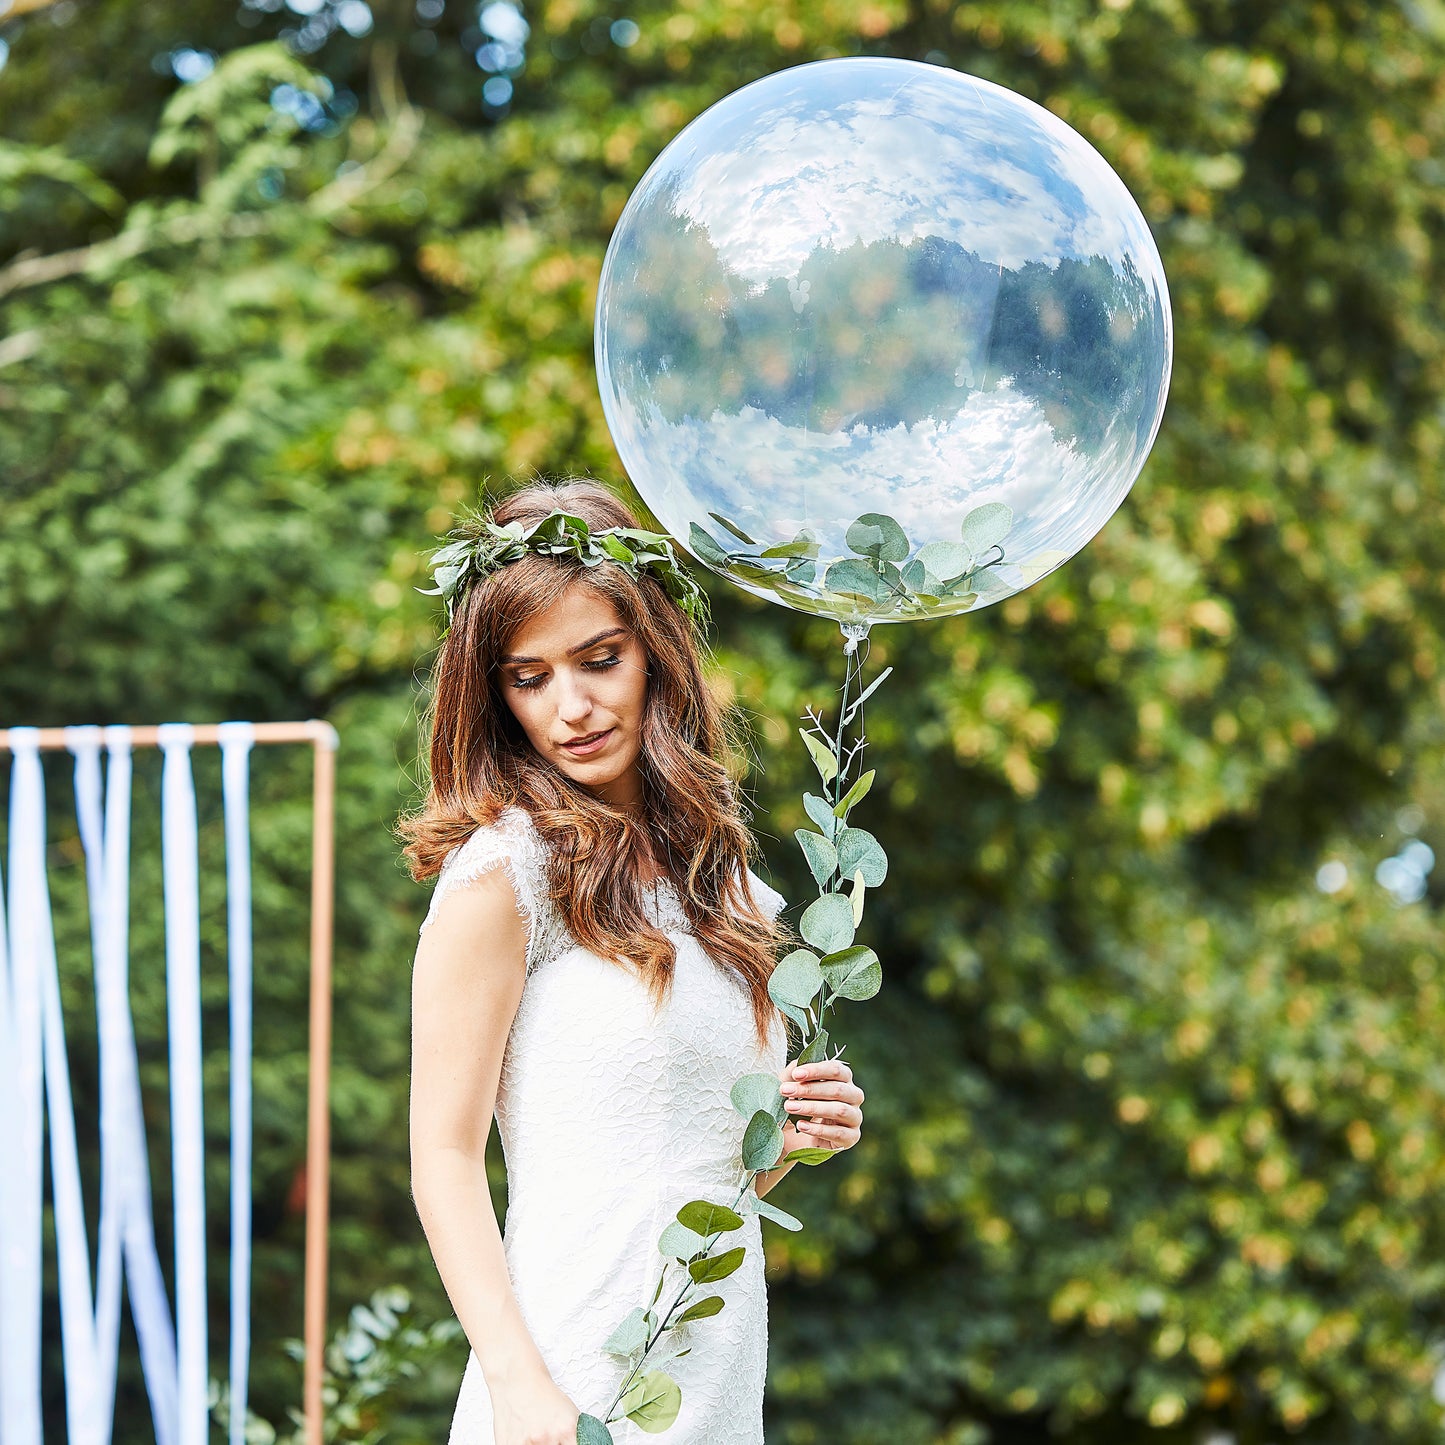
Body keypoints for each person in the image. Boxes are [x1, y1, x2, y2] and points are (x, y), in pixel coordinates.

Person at [398, 479, 867, 1445]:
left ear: (655, 651)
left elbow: (683, 1173)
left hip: (709, 1378)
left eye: (599, 660)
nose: (570, 707)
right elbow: (441, 1157)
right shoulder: (504, 872)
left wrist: (788, 1140)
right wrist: (521, 1389)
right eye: (529, 677)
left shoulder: (723, 882)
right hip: (562, 1381)